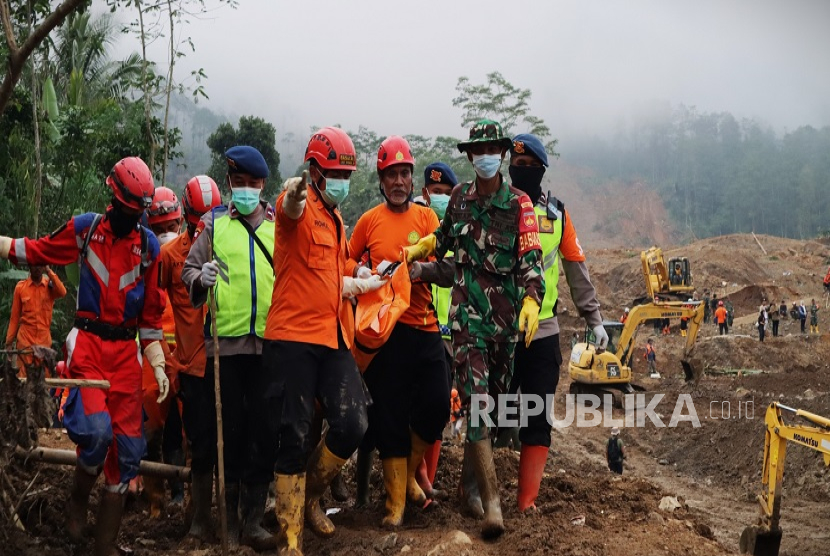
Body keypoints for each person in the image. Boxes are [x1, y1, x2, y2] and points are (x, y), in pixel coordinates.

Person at [0, 156, 168, 556]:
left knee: (127, 452)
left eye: (139, 211)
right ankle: (77, 502)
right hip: (89, 345)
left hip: (127, 352)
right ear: (115, 197)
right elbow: (37, 249)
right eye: (129, 209)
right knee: (95, 434)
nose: (134, 217)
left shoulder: (149, 247)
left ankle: (104, 544)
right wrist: (3, 243)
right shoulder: (85, 230)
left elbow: (151, 315)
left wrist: (157, 362)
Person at [404, 119, 544, 538]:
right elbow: (444, 241)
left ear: (501, 154)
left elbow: (531, 260)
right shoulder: (461, 198)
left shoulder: (519, 204)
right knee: (479, 403)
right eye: (476, 150)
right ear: (469, 156)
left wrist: (533, 300)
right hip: (467, 322)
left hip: (505, 326)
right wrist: (424, 249)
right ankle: (493, 506)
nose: (484, 157)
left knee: (491, 407)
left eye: (491, 150)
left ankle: (470, 489)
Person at [266, 127, 380, 555]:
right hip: (293, 337)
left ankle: (310, 495)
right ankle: (289, 535)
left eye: (347, 173)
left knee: (354, 421)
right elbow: (288, 210)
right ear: (313, 171)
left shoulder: (336, 217)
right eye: (334, 173)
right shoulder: (294, 206)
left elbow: (326, 279)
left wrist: (358, 283)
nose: (342, 182)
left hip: (332, 335)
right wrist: (295, 194)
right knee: (292, 434)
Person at [345, 136, 450, 527]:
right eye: (392, 174)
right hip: (385, 333)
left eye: (405, 173)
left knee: (438, 404)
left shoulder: (427, 220)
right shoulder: (369, 221)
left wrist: (420, 268)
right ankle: (394, 505)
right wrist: (360, 273)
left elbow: (448, 268)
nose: (400, 181)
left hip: (424, 328)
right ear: (382, 179)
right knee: (388, 416)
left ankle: (407, 477)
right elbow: (347, 258)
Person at [182, 146, 277, 550]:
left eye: (253, 184)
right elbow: (189, 269)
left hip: (271, 345)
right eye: (239, 184)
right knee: (232, 433)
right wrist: (200, 278)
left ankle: (254, 518)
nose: (246, 190)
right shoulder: (213, 223)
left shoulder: (279, 223)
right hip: (226, 347)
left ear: (263, 185)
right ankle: (231, 520)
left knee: (265, 432)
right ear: (230, 184)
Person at [504, 133, 605, 512]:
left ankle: (525, 502)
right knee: (490, 412)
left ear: (542, 172)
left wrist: (594, 319)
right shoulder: (494, 207)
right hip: (498, 331)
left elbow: (575, 270)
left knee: (536, 416)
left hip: (542, 332)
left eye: (531, 167)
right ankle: (479, 492)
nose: (523, 172)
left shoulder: (557, 215)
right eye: (518, 166)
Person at [158, 175, 222, 540]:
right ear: (187, 216)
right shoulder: (171, 257)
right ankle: (198, 517)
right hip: (193, 367)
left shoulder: (230, 245)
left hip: (227, 360)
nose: (204, 225)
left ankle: (236, 513)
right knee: (200, 443)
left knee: (233, 438)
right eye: (199, 217)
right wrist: (163, 355)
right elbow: (151, 309)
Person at [142, 186, 184, 517]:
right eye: (158, 229)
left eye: (170, 226)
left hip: (183, 350)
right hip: (152, 349)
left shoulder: (194, 255)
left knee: (183, 428)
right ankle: (155, 498)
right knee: (151, 426)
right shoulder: (141, 261)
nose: (165, 234)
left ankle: (181, 494)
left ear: (181, 223)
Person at [5, 265, 66, 378]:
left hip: (44, 342)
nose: (37, 268)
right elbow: (14, 318)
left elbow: (62, 292)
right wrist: (8, 343)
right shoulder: (21, 288)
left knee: (44, 380)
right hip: (25, 341)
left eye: (40, 265)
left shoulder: (50, 286)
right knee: (23, 379)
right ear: (29, 266)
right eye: (34, 265)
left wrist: (48, 270)